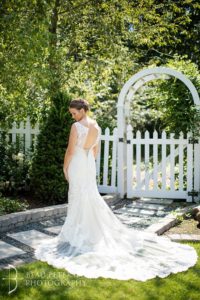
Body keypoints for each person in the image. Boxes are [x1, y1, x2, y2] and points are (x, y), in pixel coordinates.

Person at [34, 98, 198, 281]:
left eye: (73, 113)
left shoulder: (76, 127)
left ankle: (78, 233)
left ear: (82, 110)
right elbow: (96, 151)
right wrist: (88, 162)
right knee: (89, 196)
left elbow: (71, 150)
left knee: (78, 196)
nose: (72, 116)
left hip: (78, 162)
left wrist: (65, 167)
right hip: (88, 164)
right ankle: (86, 232)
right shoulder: (96, 125)